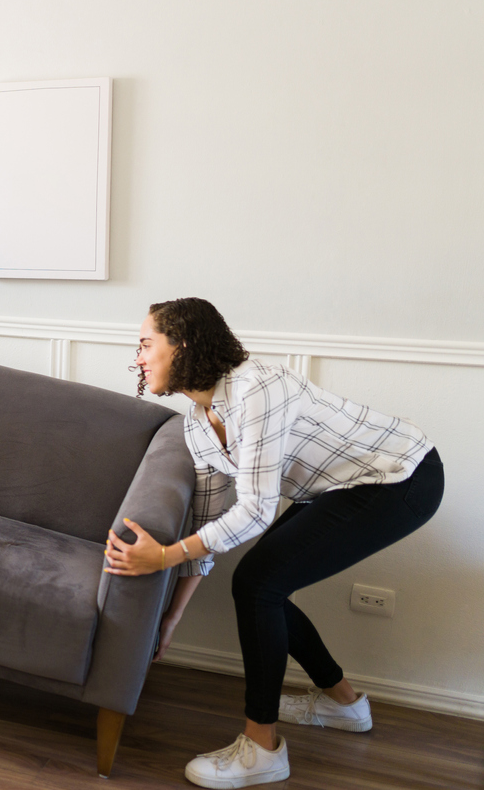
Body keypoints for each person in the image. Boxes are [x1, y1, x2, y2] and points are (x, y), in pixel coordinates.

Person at [106, 298, 442, 789]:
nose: (137, 357)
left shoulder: (258, 387)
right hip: (342, 486)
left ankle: (262, 750)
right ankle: (345, 704)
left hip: (402, 475)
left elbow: (256, 512)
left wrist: (162, 556)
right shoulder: (199, 426)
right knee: (262, 582)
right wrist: (173, 615)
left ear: (183, 344)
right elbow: (211, 521)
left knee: (259, 581)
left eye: (145, 344)